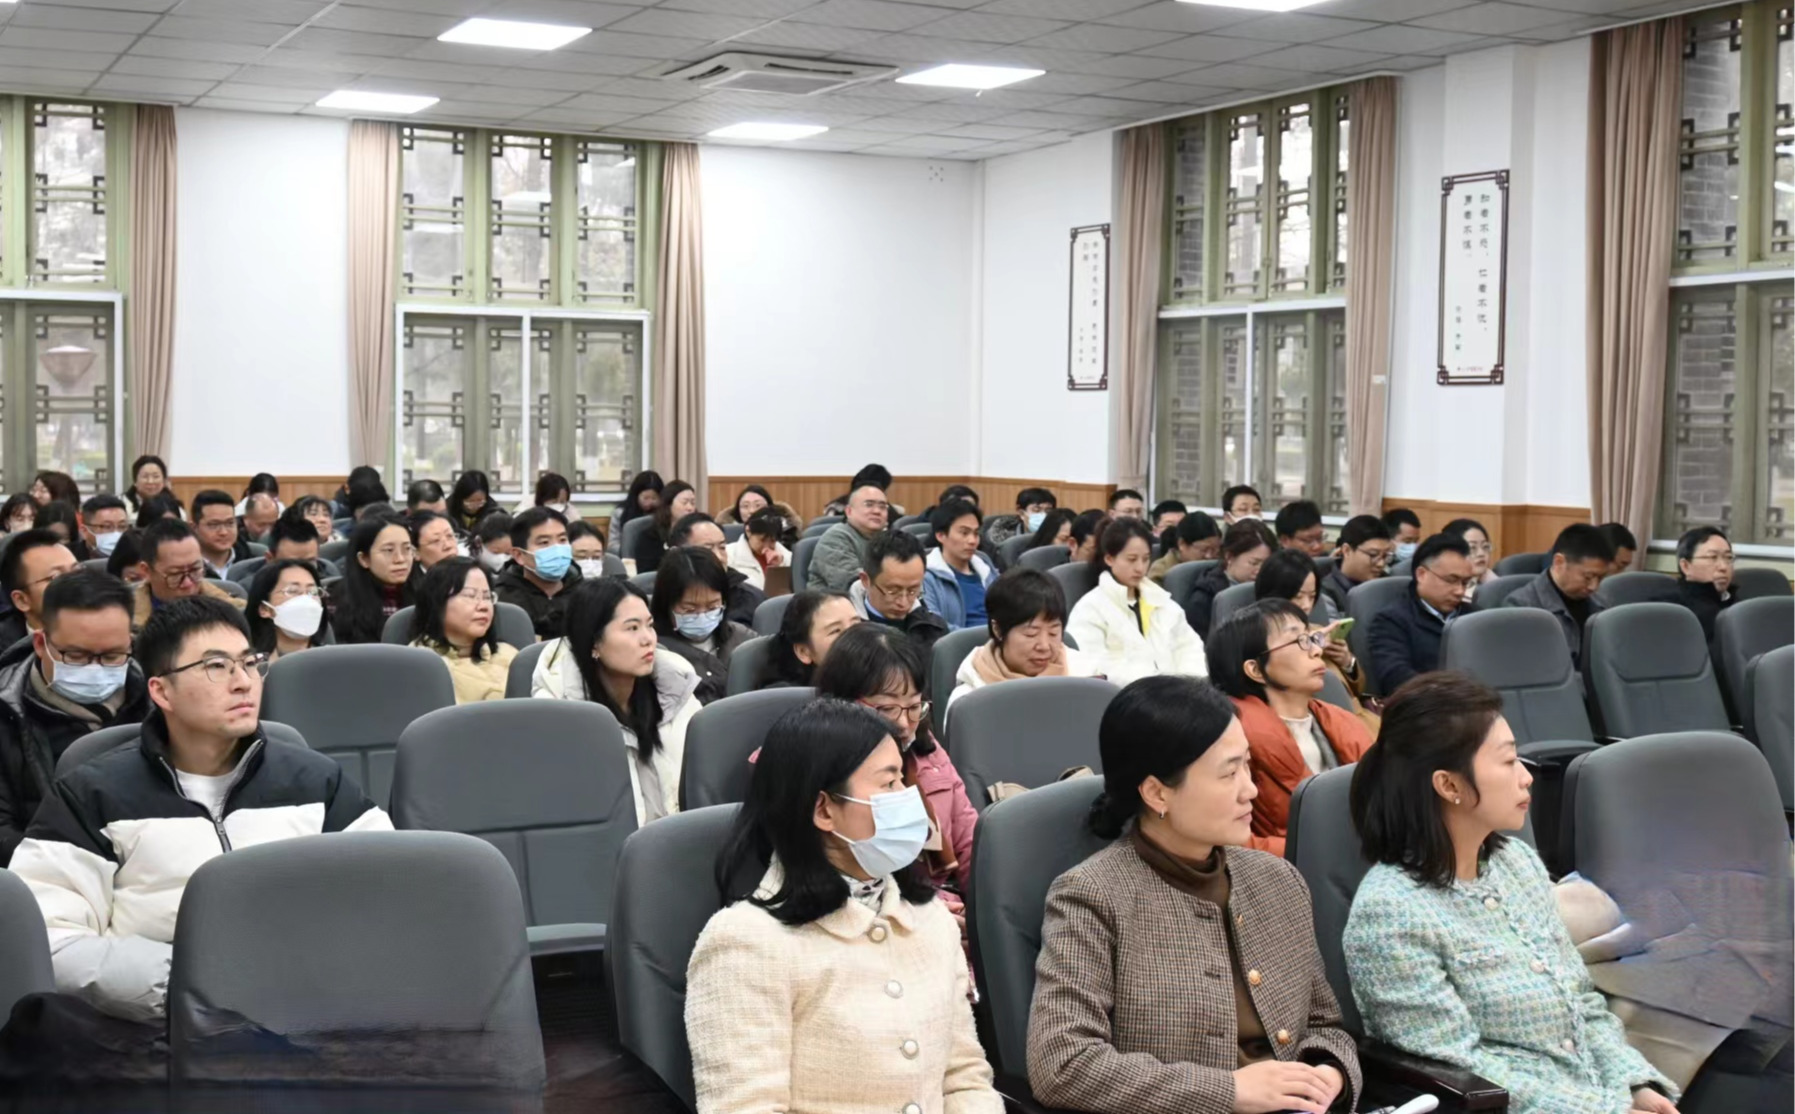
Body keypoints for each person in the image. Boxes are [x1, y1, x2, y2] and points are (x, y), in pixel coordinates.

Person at [11, 596, 391, 1024]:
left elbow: (387, 896)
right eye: (216, 666)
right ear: (162, 691)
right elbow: (46, 937)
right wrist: (192, 987)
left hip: (316, 1017)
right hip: (159, 1030)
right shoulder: (91, 795)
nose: (243, 682)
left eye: (249, 663)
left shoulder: (317, 781)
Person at [1344, 673, 1679, 1114]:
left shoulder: (1515, 863)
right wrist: (1602, 1110)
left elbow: (1580, 1002)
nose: (1526, 777)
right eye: (1507, 762)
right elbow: (1458, 1068)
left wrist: (1635, 1085)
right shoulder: (1390, 913)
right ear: (1449, 786)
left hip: (1597, 1093)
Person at [1027, 674, 1362, 1114]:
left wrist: (1328, 1071)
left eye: (1248, 765)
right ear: (1157, 792)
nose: (1251, 789)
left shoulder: (1277, 880)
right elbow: (1062, 1063)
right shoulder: (1093, 896)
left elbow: (1324, 1025)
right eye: (1229, 773)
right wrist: (1228, 1091)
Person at [687, 699, 1001, 1114]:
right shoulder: (745, 943)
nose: (908, 798)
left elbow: (964, 1078)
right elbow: (745, 1106)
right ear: (824, 810)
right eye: (888, 784)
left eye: (903, 779)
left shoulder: (929, 920)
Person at [813, 623, 979, 895]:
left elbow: (969, 840)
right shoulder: (811, 758)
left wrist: (981, 909)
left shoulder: (926, 748)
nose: (903, 723)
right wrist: (927, 906)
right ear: (843, 701)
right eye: (887, 708)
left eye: (914, 706)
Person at [0, 570, 151, 865]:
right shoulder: (7, 712)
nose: (95, 669)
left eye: (111, 656)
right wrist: (82, 866)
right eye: (76, 656)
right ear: (41, 643)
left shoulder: (157, 700)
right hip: (45, 870)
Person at [1207, 600, 1373, 856]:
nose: (1316, 651)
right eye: (1299, 641)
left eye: (1312, 638)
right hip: (1287, 867)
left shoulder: (1340, 719)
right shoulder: (1232, 740)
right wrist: (1321, 852)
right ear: (1255, 669)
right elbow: (1227, 840)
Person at [530, 578, 699, 825]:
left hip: (678, 836)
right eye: (632, 628)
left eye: (650, 625)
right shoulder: (556, 713)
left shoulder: (675, 688)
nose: (648, 639)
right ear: (594, 642)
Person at [945, 567, 1101, 722]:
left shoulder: (1085, 677)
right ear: (998, 630)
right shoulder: (969, 700)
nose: (1044, 646)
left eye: (1053, 633)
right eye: (1031, 634)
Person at [1068, 518, 1207, 686]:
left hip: (1178, 694)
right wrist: (1154, 687)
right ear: (1109, 559)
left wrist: (1189, 686)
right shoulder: (1090, 608)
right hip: (1125, 696)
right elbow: (1092, 666)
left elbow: (1189, 649)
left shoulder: (1162, 602)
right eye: (1132, 559)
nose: (1140, 568)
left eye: (1146, 559)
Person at [1366, 533, 1473, 695]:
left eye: (1465, 583)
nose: (1460, 591)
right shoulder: (1391, 621)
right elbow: (1396, 679)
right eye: (1451, 580)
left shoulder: (1473, 617)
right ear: (1421, 574)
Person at [651, 546, 755, 704]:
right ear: (666, 605)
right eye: (689, 609)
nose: (702, 615)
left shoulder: (743, 638)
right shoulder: (655, 652)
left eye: (712, 607)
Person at [409, 557, 518, 705]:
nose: (483, 606)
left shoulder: (510, 655)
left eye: (487, 597)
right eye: (470, 596)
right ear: (437, 601)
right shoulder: (420, 664)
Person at [1501, 523, 1613, 668]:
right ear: (1559, 562)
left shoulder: (1601, 602)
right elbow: (1530, 670)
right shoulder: (1522, 607)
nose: (1594, 586)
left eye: (1601, 578)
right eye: (1588, 577)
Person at [848, 528, 948, 658]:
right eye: (893, 591)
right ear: (865, 580)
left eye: (913, 590)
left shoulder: (934, 629)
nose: (903, 603)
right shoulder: (846, 633)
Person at [130, 519, 244, 631]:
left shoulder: (234, 609)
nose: (188, 584)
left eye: (195, 570)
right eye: (175, 574)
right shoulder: (126, 622)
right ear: (147, 571)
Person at [327, 514, 418, 645]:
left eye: (407, 549)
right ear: (364, 559)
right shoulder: (335, 602)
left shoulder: (425, 594)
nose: (400, 559)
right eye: (389, 550)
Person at [494, 506, 580, 640]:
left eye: (562, 540)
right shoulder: (504, 601)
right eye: (544, 542)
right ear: (519, 555)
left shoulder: (585, 593)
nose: (557, 549)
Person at [668, 512, 764, 628]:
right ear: (677, 553)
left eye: (722, 547)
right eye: (707, 549)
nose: (718, 557)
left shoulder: (751, 598)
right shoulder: (660, 596)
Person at [1184, 519, 1273, 636]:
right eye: (1254, 563)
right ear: (1229, 557)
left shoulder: (1271, 589)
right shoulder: (1204, 599)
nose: (1260, 570)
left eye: (1266, 564)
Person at [923, 499, 997, 631]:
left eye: (976, 533)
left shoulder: (984, 565)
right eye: (964, 533)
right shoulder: (927, 575)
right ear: (941, 535)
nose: (972, 541)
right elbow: (934, 626)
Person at [762, 589, 859, 689]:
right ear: (803, 651)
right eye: (835, 630)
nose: (855, 635)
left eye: (856, 625)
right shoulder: (786, 696)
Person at [809, 482, 889, 591]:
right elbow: (853, 585)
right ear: (849, 511)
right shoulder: (835, 538)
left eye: (882, 507)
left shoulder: (887, 539)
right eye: (869, 505)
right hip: (832, 600)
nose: (877, 511)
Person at [245, 558, 328, 661]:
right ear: (264, 609)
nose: (306, 600)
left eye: (313, 592)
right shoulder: (249, 664)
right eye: (292, 591)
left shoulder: (333, 660)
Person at [1674, 525, 1735, 642]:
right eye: (1713, 557)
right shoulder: (1678, 610)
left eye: (1728, 558)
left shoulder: (1735, 602)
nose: (1723, 567)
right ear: (1685, 566)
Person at [1322, 514, 1393, 612]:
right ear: (1347, 551)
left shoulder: (1388, 586)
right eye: (1373, 555)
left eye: (1385, 556)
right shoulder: (1325, 593)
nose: (1380, 564)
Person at [635, 479, 697, 575]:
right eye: (684, 503)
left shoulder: (698, 532)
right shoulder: (650, 536)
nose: (690, 508)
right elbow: (647, 575)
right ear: (668, 505)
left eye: (692, 503)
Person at [190, 490, 253, 577]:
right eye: (214, 525)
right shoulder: (186, 567)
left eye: (230, 523)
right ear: (194, 528)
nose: (223, 532)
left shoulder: (252, 564)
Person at [726, 508, 790, 592]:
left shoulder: (785, 555)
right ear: (748, 531)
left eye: (772, 541)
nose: (767, 546)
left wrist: (781, 564)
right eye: (762, 540)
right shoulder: (729, 555)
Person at [1148, 510, 1221, 583]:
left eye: (1214, 551)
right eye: (1204, 550)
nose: (1209, 556)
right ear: (1182, 544)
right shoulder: (1161, 571)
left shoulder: (1219, 569)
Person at [987, 486, 1058, 548]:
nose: (1043, 515)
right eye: (1036, 510)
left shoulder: (1057, 537)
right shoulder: (1003, 540)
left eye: (1048, 511)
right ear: (1021, 513)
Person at [611, 470, 664, 536]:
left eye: (654, 498)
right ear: (636, 496)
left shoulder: (664, 513)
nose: (649, 503)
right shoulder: (620, 513)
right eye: (646, 498)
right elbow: (614, 540)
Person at [77, 494, 130, 560]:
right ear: (84, 531)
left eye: (122, 526)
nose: (116, 533)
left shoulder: (138, 558)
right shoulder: (70, 560)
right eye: (107, 527)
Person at [122, 454, 173, 519]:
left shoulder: (173, 505)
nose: (150, 481)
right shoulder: (123, 505)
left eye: (156, 476)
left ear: (164, 481)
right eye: (145, 476)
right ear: (135, 481)